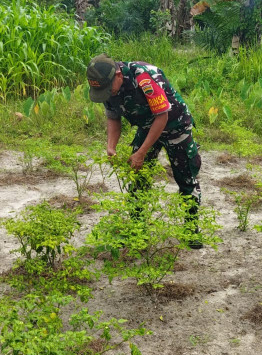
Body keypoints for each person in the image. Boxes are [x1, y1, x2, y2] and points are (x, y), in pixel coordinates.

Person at [86, 53, 204, 249]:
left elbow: (162, 117)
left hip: (175, 125)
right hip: (147, 126)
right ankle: (137, 229)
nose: (107, 94)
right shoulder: (106, 87)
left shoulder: (143, 76)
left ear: (117, 75)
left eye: (108, 89)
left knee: (186, 178)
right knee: (137, 176)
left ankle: (191, 229)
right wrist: (111, 146)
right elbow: (113, 116)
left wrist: (141, 152)